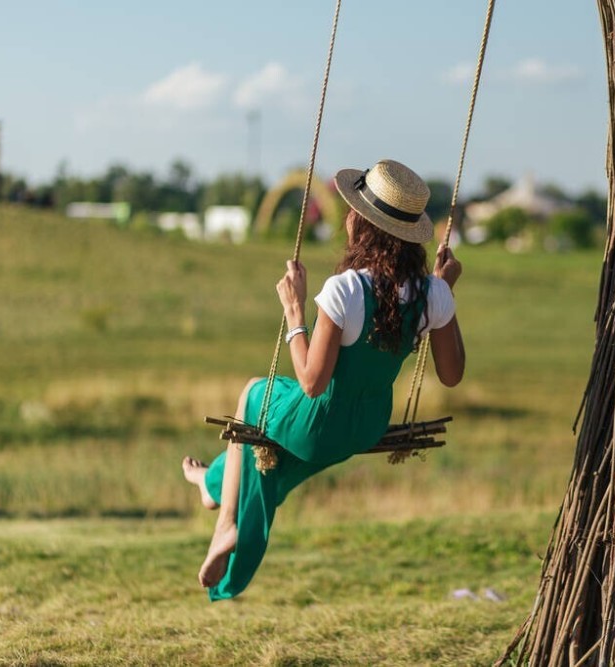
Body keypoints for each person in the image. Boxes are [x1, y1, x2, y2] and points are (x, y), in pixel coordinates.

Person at [181, 159, 466, 600]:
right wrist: (445, 294)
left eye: (354, 210)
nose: (348, 216)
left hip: (317, 426)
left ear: (364, 225)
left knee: (255, 395)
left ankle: (227, 525)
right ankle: (210, 487)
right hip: (363, 427)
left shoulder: (347, 289)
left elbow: (312, 382)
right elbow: (452, 375)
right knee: (267, 465)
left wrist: (294, 311)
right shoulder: (432, 292)